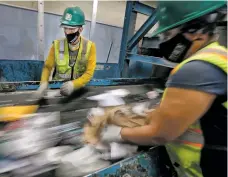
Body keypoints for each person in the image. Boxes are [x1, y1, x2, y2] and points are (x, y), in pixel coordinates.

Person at [98, 1, 227, 177]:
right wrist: (146, 115)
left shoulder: (195, 70)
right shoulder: (216, 55)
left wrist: (118, 133)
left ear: (196, 31)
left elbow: (159, 135)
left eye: (168, 34)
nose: (164, 42)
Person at [34, 7, 96, 97]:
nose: (67, 32)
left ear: (80, 29)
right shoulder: (56, 45)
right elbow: (47, 67)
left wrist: (73, 84)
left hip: (78, 92)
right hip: (57, 90)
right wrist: (43, 83)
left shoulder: (90, 47)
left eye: (71, 29)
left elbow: (89, 73)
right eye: (65, 28)